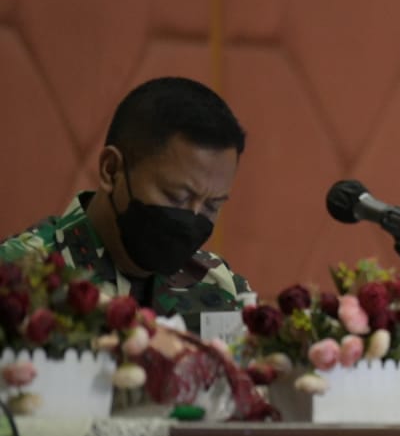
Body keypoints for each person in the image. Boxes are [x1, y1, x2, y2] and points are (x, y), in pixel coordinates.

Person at [1, 76, 252, 330]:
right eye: (177, 196)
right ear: (111, 170)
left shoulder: (221, 287)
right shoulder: (20, 281)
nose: (193, 217)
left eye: (212, 205)